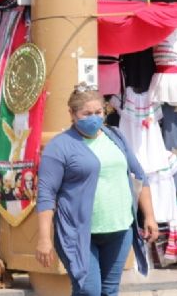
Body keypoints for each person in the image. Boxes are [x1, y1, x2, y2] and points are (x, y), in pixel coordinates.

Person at [36, 83, 158, 296]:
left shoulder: (115, 137)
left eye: (98, 112)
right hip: (78, 234)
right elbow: (46, 195)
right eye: (87, 114)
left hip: (120, 229)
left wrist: (149, 216)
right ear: (72, 114)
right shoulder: (59, 147)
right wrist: (44, 238)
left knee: (109, 291)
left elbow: (139, 176)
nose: (94, 118)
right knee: (89, 290)